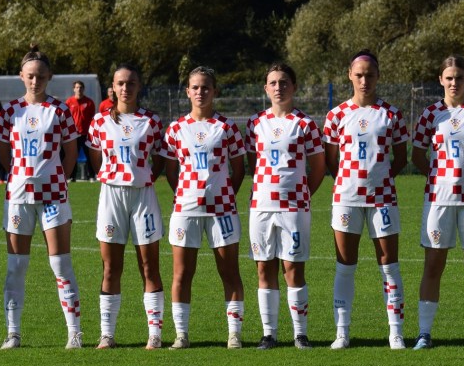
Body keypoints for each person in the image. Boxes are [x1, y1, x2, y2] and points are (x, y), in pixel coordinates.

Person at [0, 46, 83, 350]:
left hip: (54, 195)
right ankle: (13, 333)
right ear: (22, 76)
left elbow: (70, 152)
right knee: (16, 267)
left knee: (61, 264)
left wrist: (58, 176)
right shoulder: (10, 111)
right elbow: (4, 153)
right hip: (18, 196)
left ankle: (74, 332)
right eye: (30, 76)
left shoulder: (60, 111)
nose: (35, 82)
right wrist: (21, 176)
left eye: (41, 77)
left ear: (49, 78)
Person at [410, 55, 464, 349]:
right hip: (438, 201)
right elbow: (417, 156)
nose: (453, 83)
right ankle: (424, 333)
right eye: (448, 78)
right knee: (433, 267)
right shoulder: (430, 115)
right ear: (441, 80)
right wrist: (439, 179)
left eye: (459, 77)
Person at [323, 49, 410, 349]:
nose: (364, 80)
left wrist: (380, 179)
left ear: (378, 77)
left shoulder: (392, 115)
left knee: (389, 265)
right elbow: (331, 161)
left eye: (369, 75)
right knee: (345, 265)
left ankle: (395, 332)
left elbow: (400, 159)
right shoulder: (336, 115)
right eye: (359, 75)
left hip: (383, 199)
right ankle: (342, 332)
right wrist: (350, 183)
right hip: (346, 199)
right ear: (350, 76)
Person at [163, 66, 247, 349]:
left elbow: (238, 170)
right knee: (182, 273)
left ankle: (234, 333)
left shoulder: (227, 127)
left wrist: (221, 194)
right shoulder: (175, 129)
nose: (200, 92)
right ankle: (181, 335)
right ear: (187, 92)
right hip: (185, 210)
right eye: (195, 87)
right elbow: (171, 172)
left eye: (205, 87)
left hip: (222, 210)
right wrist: (189, 195)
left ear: (215, 91)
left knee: (230, 272)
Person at [87, 63, 170, 349]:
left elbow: (160, 158)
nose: (126, 88)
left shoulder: (151, 121)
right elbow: (95, 157)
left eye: (131, 82)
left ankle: (155, 334)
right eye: (121, 83)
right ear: (112, 87)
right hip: (111, 195)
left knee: (149, 266)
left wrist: (145, 176)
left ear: (139, 86)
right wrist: (113, 176)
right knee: (111, 267)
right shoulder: (99, 122)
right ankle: (107, 334)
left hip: (143, 196)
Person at [244, 63, 325, 350]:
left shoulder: (305, 124)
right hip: (262, 206)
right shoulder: (255, 123)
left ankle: (300, 334)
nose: (279, 87)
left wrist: (301, 192)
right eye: (273, 83)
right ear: (266, 88)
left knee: (293, 268)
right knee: (264, 268)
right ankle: (269, 334)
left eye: (284, 82)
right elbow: (253, 164)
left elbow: (318, 167)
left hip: (294, 207)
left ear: (294, 86)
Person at [65, 81, 96, 180]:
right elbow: (66, 117)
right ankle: (71, 177)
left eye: (81, 87)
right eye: (77, 87)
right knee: (72, 155)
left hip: (86, 134)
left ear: (83, 89)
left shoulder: (89, 102)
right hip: (74, 134)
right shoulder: (69, 102)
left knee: (89, 156)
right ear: (74, 89)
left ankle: (91, 176)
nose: (79, 89)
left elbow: (92, 118)